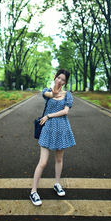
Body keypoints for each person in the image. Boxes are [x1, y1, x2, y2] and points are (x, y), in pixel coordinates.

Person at [30, 69, 76, 206]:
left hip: (62, 128)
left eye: (63, 80)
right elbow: (49, 94)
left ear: (65, 82)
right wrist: (54, 91)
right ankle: (33, 191)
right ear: (55, 77)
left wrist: (49, 115)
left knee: (59, 158)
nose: (60, 81)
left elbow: (65, 111)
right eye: (59, 78)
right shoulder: (47, 91)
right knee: (43, 162)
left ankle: (57, 183)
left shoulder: (68, 95)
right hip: (47, 129)